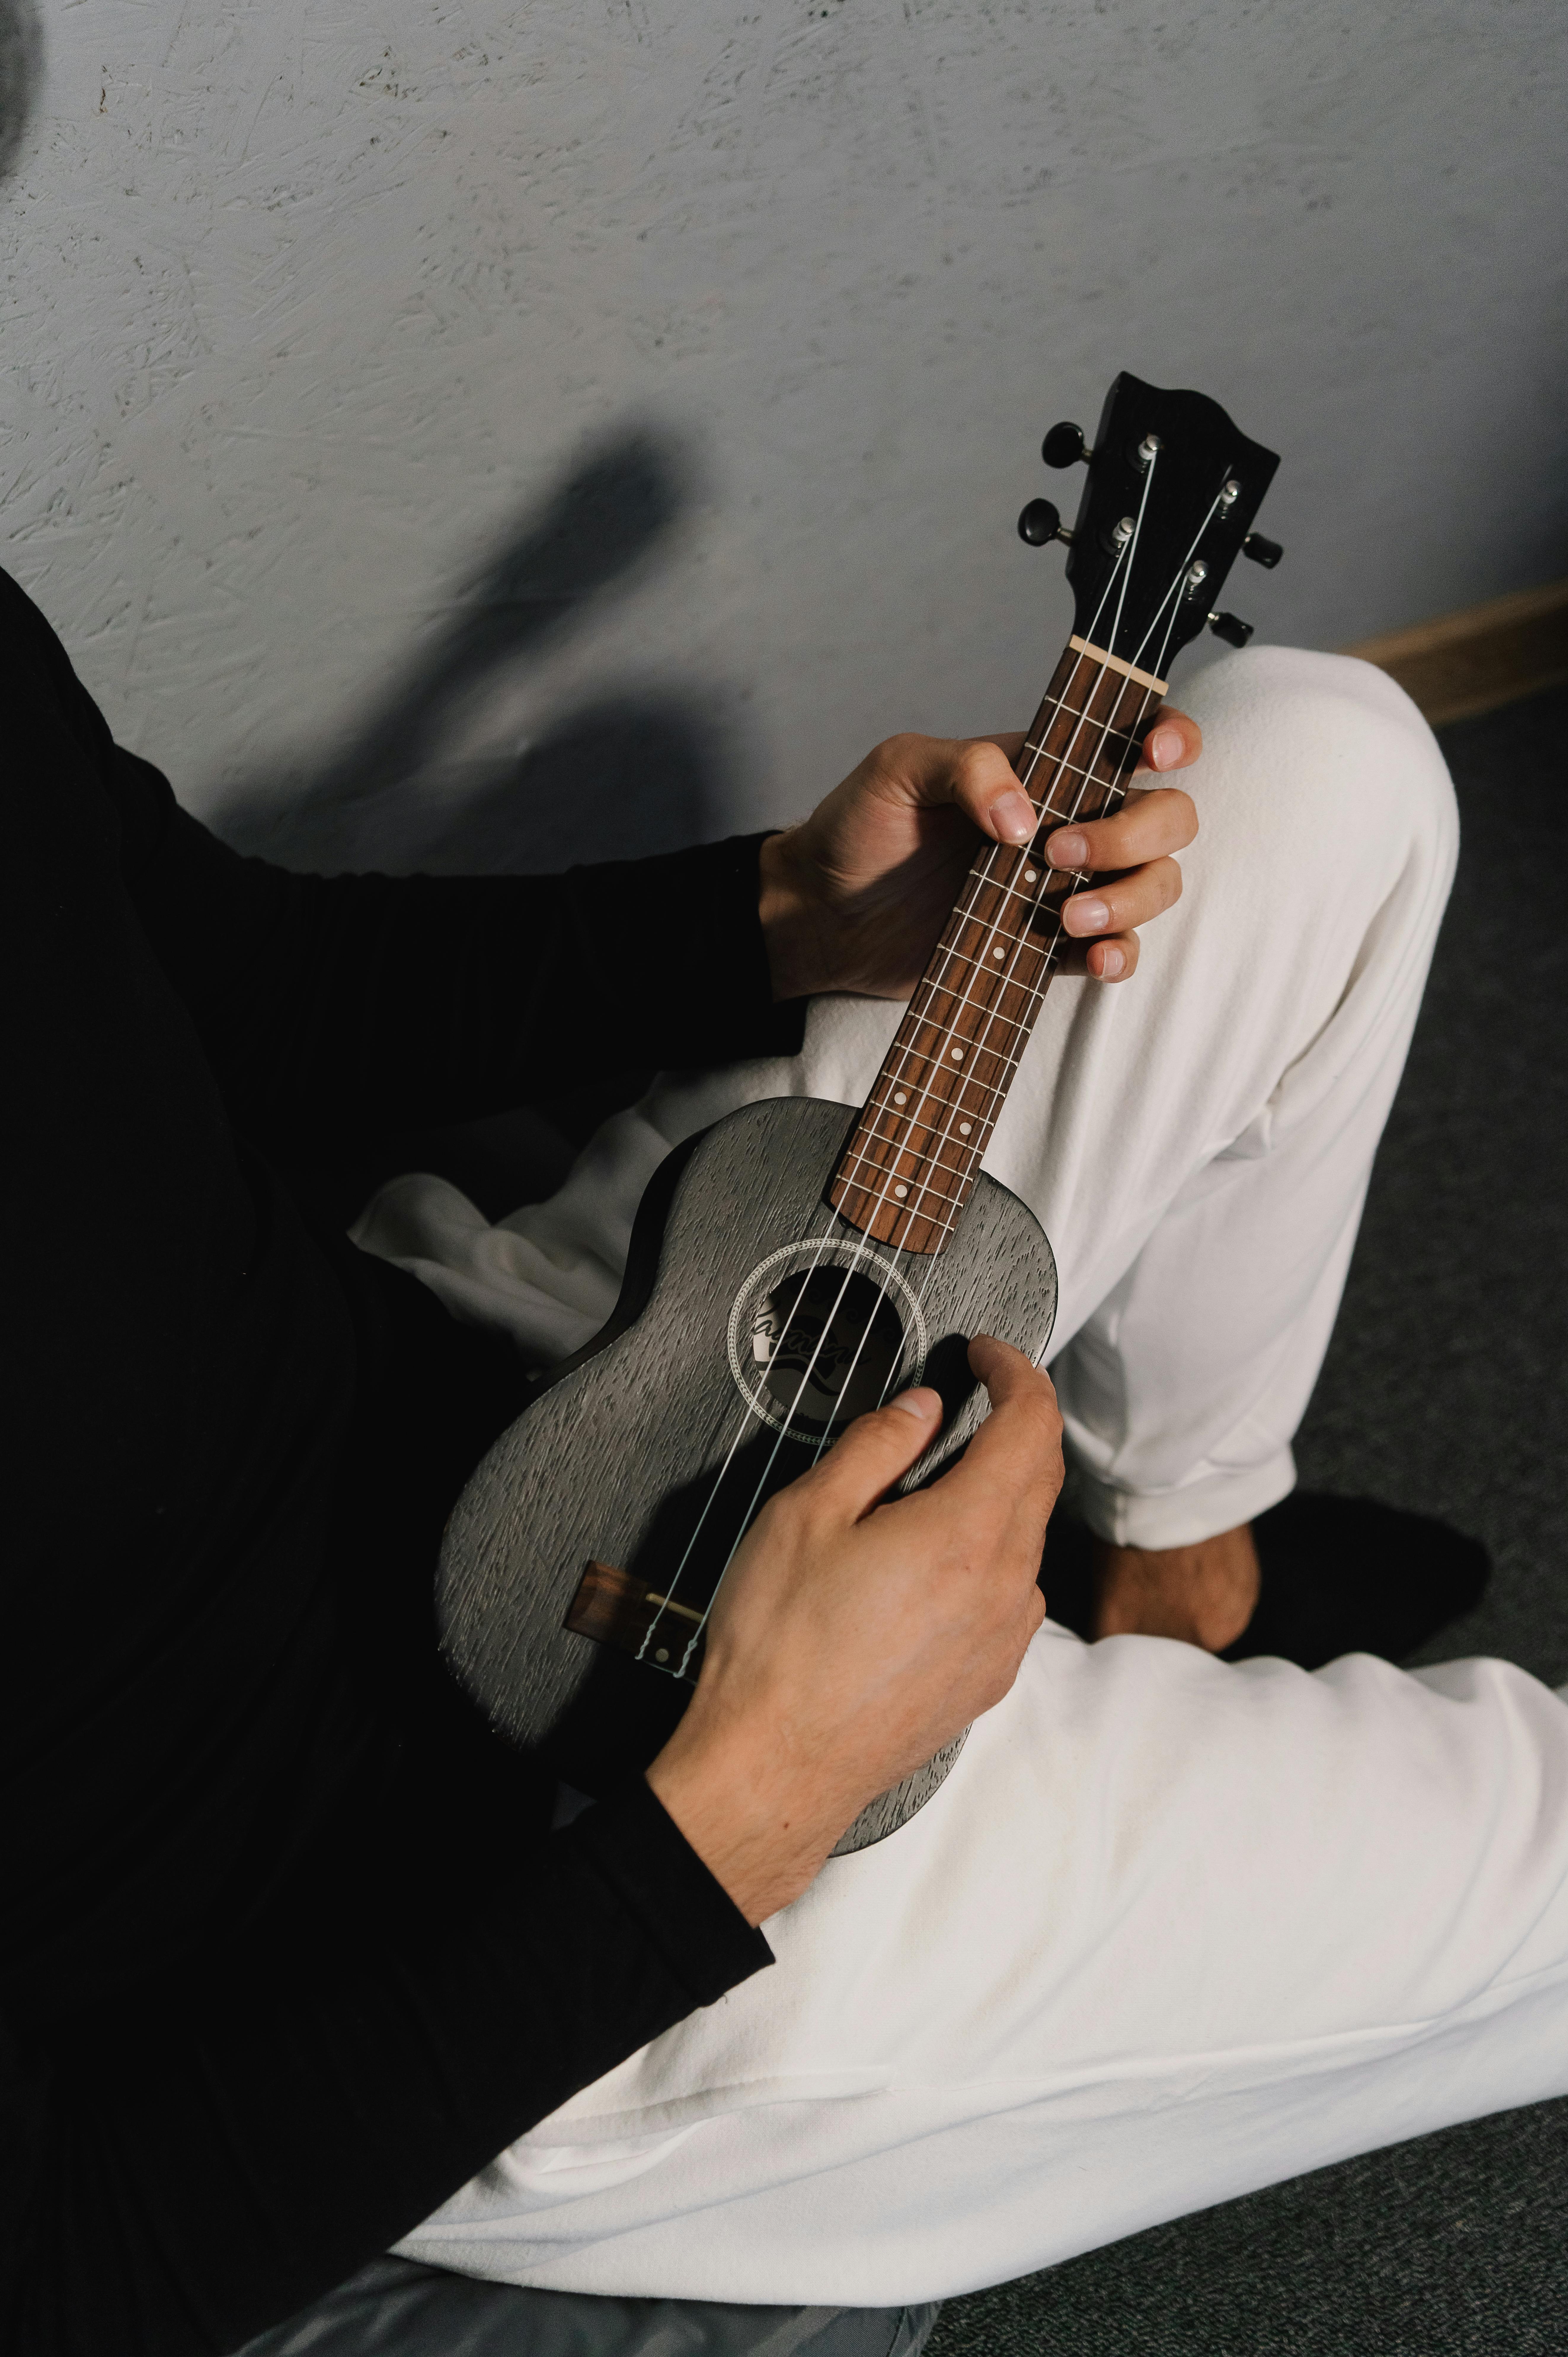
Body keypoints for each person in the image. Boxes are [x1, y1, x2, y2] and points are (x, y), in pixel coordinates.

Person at [0, 560, 1198, 2357]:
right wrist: (760, 1802)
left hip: (521, 1414)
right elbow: (62, 2275)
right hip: (472, 1938)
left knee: (1333, 756)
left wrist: (783, 913)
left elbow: (237, 995)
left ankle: (1178, 1557)